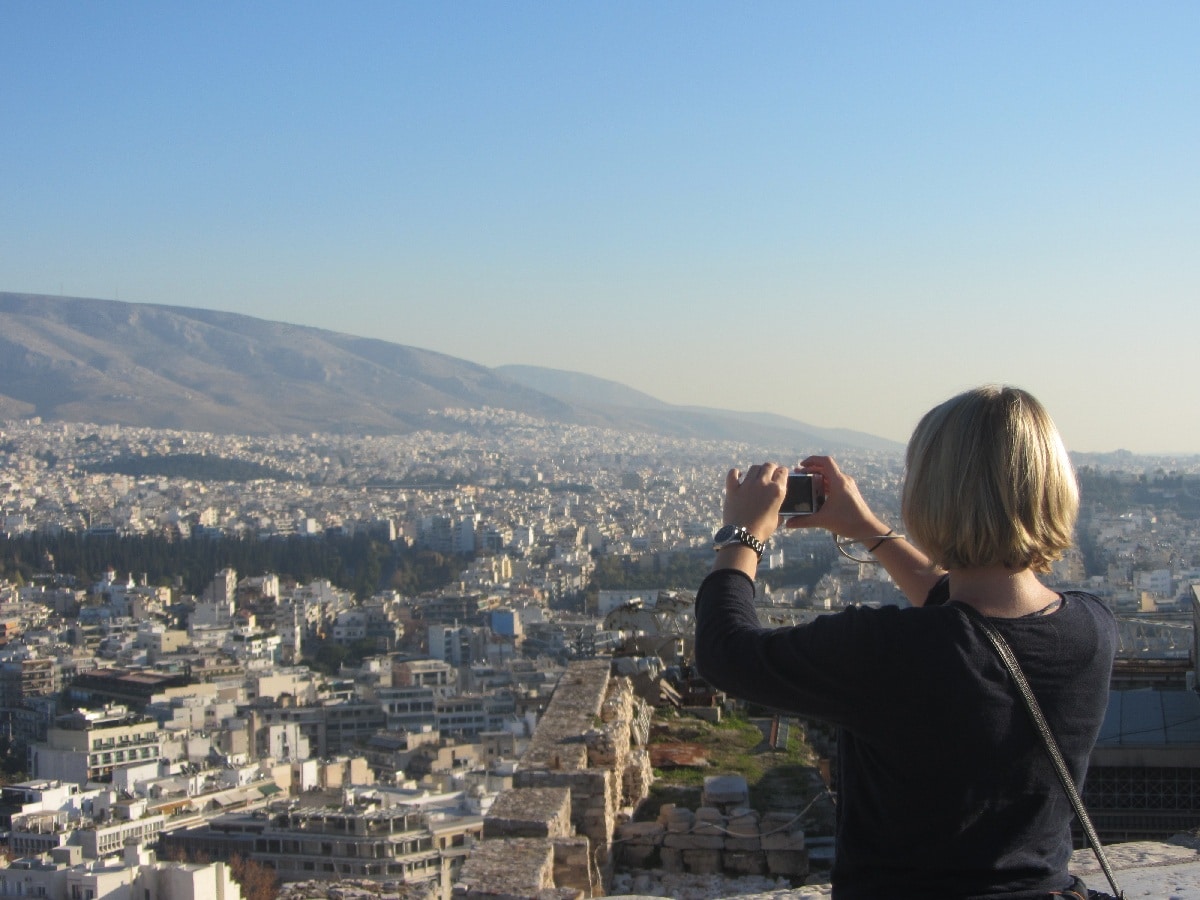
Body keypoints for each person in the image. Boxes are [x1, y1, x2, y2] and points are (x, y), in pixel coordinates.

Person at [694, 385, 1117, 899]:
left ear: (930, 497)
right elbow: (964, 608)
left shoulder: (888, 650)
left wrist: (742, 537)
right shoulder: (1092, 629)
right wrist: (866, 529)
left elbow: (726, 651)